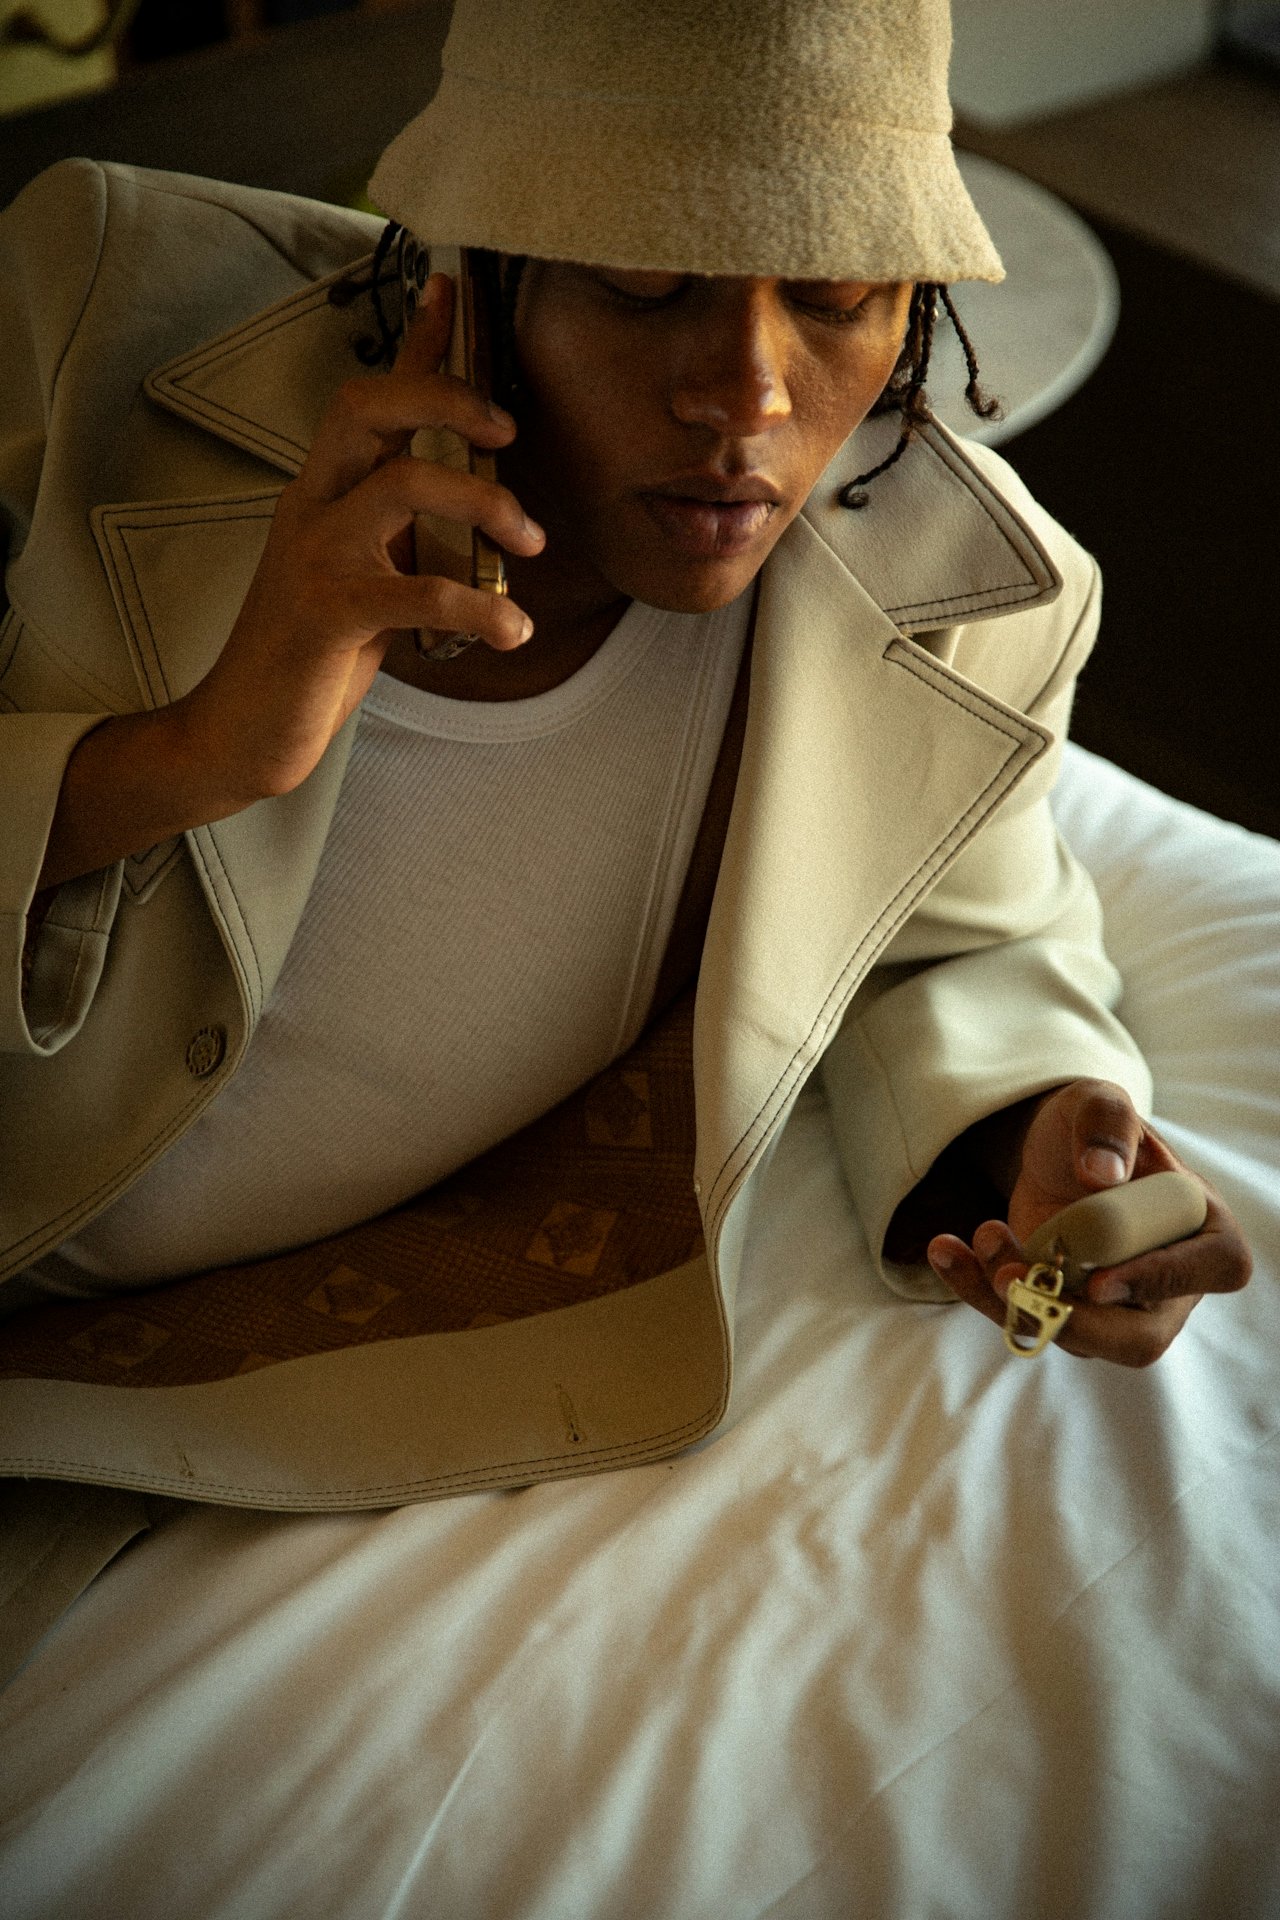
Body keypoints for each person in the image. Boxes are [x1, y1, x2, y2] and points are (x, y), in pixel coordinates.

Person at [0, 0, 1251, 1474]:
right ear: (478, 266)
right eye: (644, 282)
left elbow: (949, 938)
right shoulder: (86, 326)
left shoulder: (974, 607)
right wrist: (194, 754)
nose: (747, 397)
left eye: (842, 293)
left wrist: (1026, 1134)